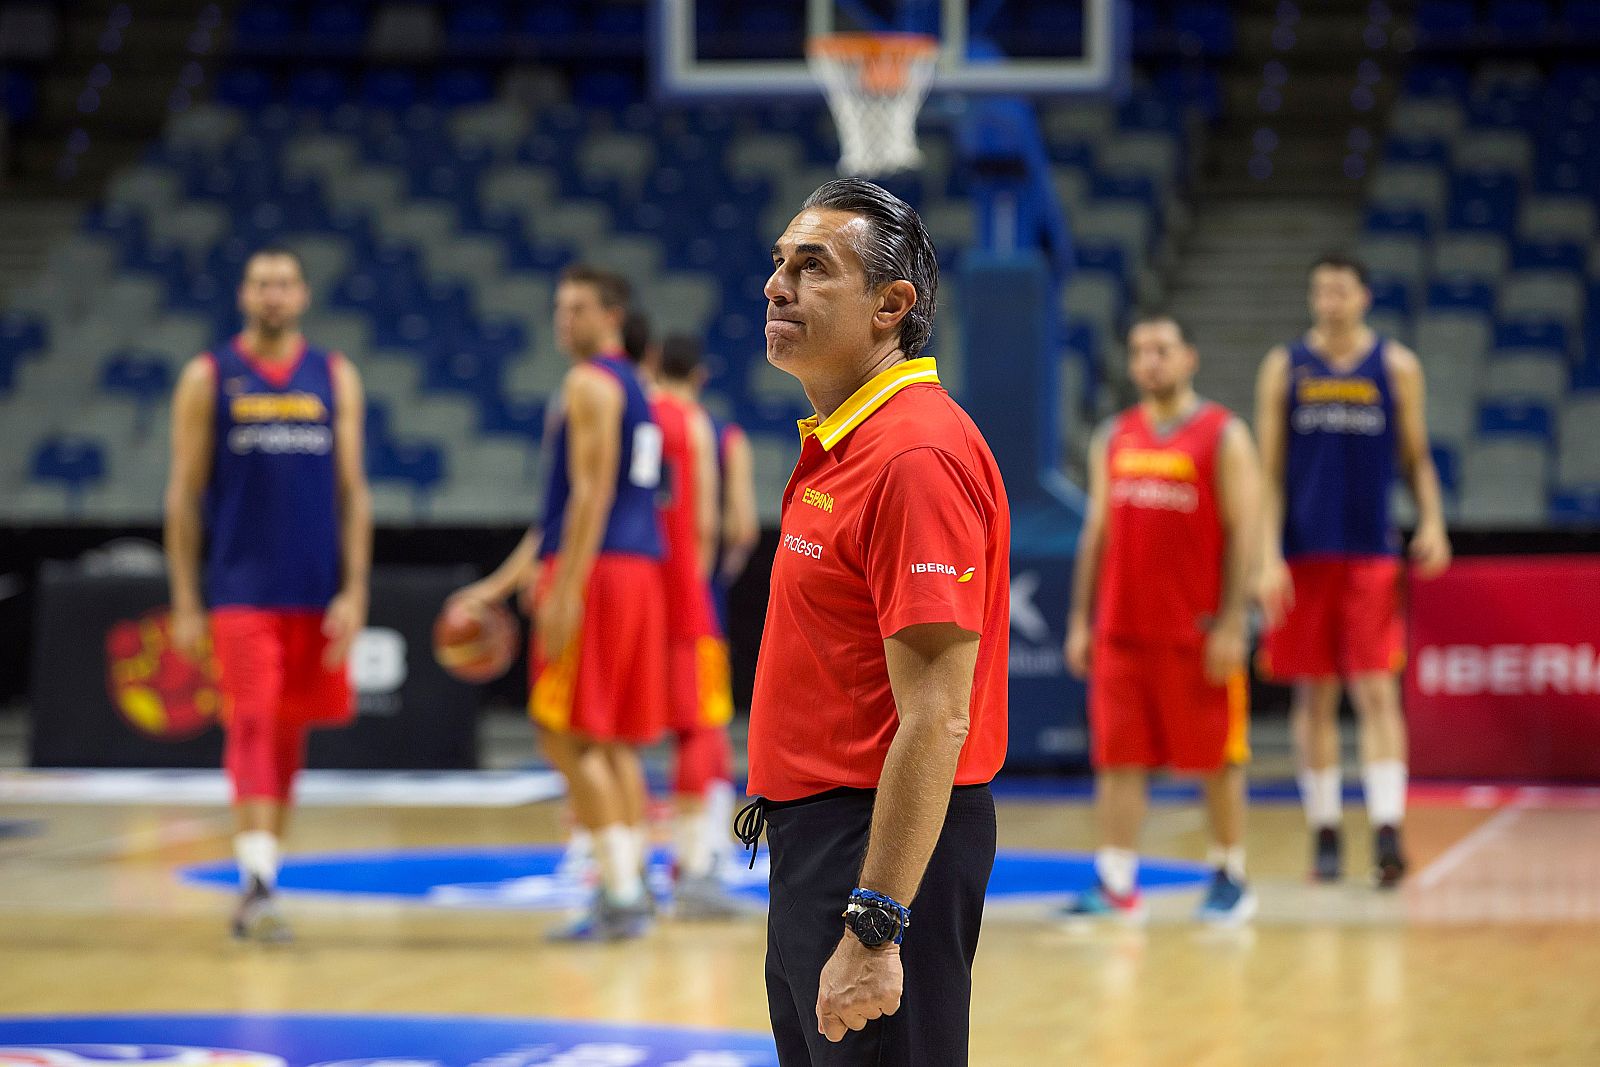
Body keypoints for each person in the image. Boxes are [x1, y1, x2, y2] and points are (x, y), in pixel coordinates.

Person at [738, 178, 1010, 1066]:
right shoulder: (847, 441)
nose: (777, 285)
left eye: (813, 268)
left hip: (879, 850)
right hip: (822, 839)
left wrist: (876, 922)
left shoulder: (914, 457)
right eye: (780, 263)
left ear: (892, 306)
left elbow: (938, 714)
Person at [451, 266, 668, 939]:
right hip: (634, 567)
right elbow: (560, 511)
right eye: (559, 306)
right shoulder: (638, 386)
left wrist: (565, 588)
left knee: (565, 733)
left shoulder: (588, 382)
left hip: (597, 571)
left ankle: (622, 893)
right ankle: (632, 879)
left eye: (577, 308)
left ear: (613, 315)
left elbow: (588, 494)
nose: (562, 318)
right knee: (612, 741)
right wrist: (500, 583)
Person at [164, 245, 371, 943]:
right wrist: (188, 598)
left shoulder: (334, 375)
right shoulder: (209, 375)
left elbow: (353, 491)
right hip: (240, 586)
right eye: (261, 284)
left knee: (287, 732)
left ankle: (266, 872)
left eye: (284, 284)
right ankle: (254, 880)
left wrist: (356, 588)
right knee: (250, 721)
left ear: (304, 295)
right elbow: (184, 496)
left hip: (313, 589)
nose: (273, 295)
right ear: (243, 295)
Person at [1254, 253, 1451, 887]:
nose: (1329, 300)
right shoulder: (1286, 366)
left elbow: (1418, 456)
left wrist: (1434, 521)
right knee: (1314, 695)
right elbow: (1268, 472)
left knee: (1373, 689)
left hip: (1370, 549)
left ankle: (1389, 829)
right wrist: (1264, 555)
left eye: (1340, 289)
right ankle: (1326, 831)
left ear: (1364, 296)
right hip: (1303, 552)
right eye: (1320, 290)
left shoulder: (1396, 365)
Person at [1060, 315, 1261, 925]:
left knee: (1216, 760)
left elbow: (1243, 533)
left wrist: (1231, 622)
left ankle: (1230, 873)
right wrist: (1079, 618)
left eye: (1162, 349)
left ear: (1189, 358)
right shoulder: (1115, 436)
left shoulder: (1223, 434)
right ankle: (1117, 880)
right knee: (1118, 759)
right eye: (1140, 350)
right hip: (1122, 629)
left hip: (1194, 631)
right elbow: (1096, 533)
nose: (1150, 360)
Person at [649, 332, 746, 917]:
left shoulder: (627, 413)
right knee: (702, 724)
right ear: (701, 375)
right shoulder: (713, 432)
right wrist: (706, 576)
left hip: (630, 587)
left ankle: (606, 854)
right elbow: (734, 528)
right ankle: (699, 857)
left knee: (610, 732)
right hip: (689, 593)